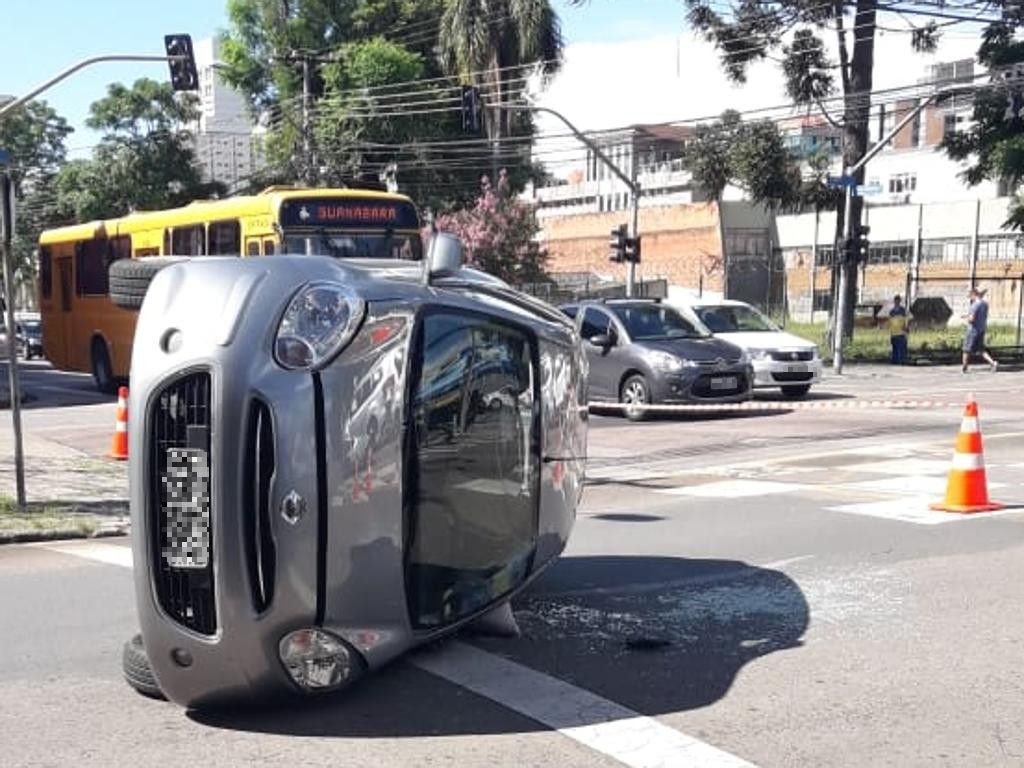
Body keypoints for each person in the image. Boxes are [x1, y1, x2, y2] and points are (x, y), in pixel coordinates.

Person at [962, 286, 998, 373]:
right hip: (981, 329)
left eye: (970, 296)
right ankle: (993, 363)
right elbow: (981, 316)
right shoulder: (985, 304)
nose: (970, 298)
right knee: (981, 349)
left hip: (972, 330)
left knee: (966, 349)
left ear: (974, 294)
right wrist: (967, 316)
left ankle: (964, 367)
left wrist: (966, 318)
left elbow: (972, 319)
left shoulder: (975, 305)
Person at [888, 294, 910, 365]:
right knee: (895, 348)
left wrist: (906, 328)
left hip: (901, 332)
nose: (897, 302)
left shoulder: (902, 310)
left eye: (898, 300)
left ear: (900, 301)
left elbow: (905, 320)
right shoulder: (891, 312)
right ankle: (895, 361)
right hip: (894, 333)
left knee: (901, 348)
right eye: (896, 300)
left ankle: (901, 361)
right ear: (894, 301)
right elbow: (890, 322)